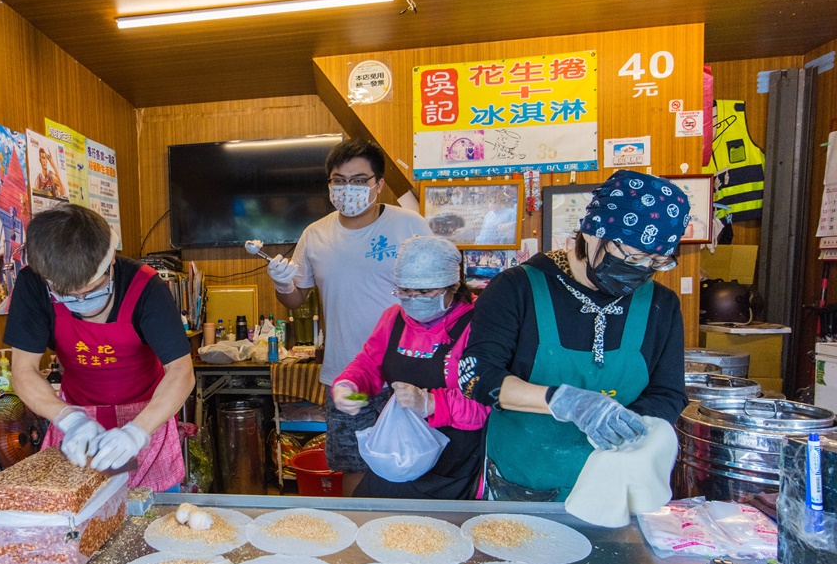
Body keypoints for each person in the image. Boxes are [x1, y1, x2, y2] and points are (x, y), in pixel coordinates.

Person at [459, 170, 691, 501]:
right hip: (524, 483)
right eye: (635, 257)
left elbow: (668, 392)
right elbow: (475, 376)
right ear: (594, 231)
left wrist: (628, 425)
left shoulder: (661, 305)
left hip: (615, 485)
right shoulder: (517, 288)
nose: (642, 270)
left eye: (656, 261)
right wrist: (564, 401)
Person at [269, 139, 430, 494]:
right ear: (329, 185)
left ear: (379, 184)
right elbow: (295, 301)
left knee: (408, 462)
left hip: (402, 377)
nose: (348, 189)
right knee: (352, 464)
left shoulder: (409, 225)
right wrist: (282, 284)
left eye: (359, 180)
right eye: (339, 180)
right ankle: (361, 537)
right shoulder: (316, 234)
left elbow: (440, 291)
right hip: (347, 382)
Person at [5, 205, 193, 491]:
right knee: (75, 515)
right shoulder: (33, 285)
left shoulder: (146, 287)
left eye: (93, 290)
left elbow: (181, 371)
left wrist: (136, 432)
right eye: (68, 295)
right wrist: (67, 418)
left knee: (152, 520)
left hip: (147, 416)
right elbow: (23, 370)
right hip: (76, 418)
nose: (81, 302)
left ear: (111, 262)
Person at [332, 236, 490, 499]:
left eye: (425, 292)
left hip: (454, 466)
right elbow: (368, 364)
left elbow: (486, 402)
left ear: (454, 285)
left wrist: (430, 403)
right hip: (398, 456)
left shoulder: (480, 326)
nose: (413, 299)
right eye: (405, 291)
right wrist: (349, 385)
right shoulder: (392, 319)